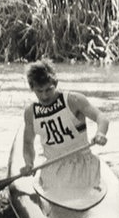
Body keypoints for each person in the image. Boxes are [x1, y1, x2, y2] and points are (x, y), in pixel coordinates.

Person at [21, 59, 109, 191]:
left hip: (82, 165)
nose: (45, 96)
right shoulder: (30, 113)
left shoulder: (73, 100)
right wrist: (29, 163)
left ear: (55, 83)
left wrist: (100, 133)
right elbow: (28, 143)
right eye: (39, 91)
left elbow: (101, 117)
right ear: (32, 88)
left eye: (48, 89)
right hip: (52, 168)